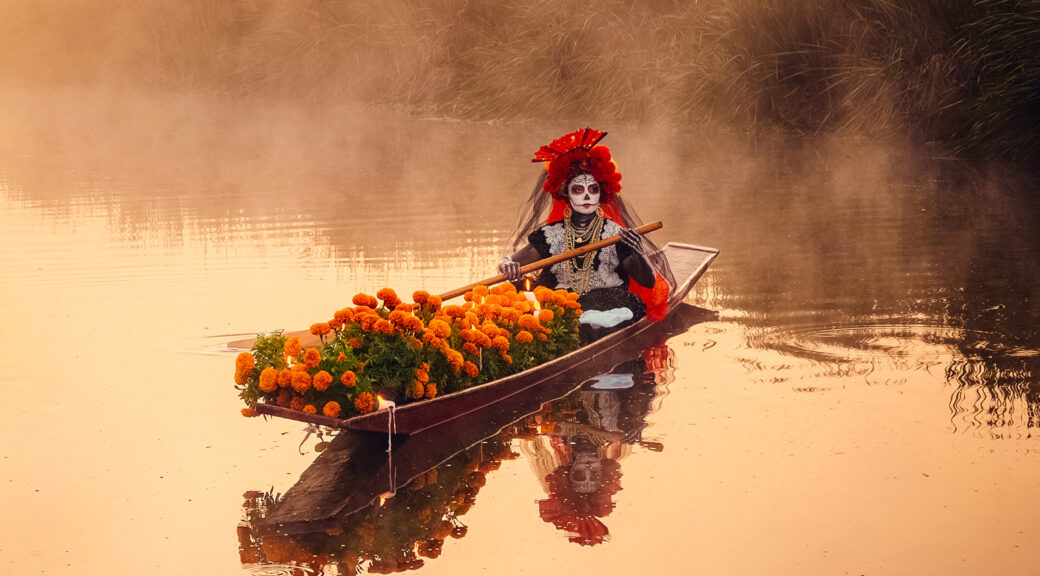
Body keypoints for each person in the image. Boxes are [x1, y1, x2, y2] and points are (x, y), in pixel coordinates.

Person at [498, 128, 675, 340]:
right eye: (578, 190)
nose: (586, 197)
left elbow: (647, 281)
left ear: (602, 193)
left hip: (608, 305)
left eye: (593, 190)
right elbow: (510, 259)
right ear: (565, 193)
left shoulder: (617, 235)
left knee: (596, 324)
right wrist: (506, 264)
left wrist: (639, 252)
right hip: (559, 304)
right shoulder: (550, 235)